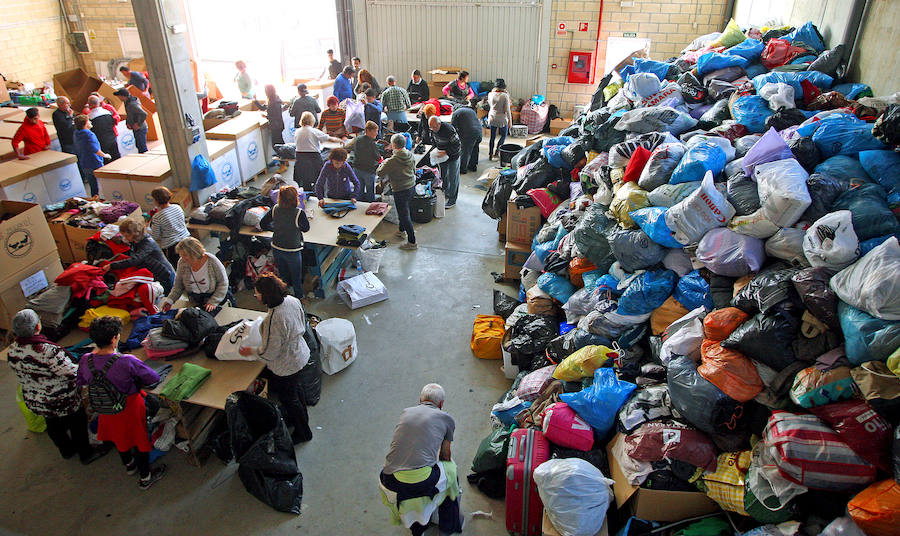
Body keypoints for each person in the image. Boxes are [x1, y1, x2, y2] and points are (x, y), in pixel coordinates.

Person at [6, 309, 108, 465]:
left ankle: (67, 450)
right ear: (37, 327)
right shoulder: (48, 351)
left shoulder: (12, 349)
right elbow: (73, 373)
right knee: (78, 423)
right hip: (61, 399)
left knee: (54, 425)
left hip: (36, 399)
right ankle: (86, 453)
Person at [77, 316, 166, 490]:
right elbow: (153, 377)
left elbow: (81, 381)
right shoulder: (126, 361)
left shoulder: (85, 359)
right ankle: (145, 477)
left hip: (105, 409)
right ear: (114, 338)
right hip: (130, 408)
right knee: (139, 442)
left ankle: (129, 465)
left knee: (119, 438)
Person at [238, 274, 313, 445]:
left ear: (266, 295)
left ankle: (303, 432)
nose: (256, 296)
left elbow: (269, 353)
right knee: (296, 391)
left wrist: (251, 350)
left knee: (288, 398)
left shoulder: (274, 318)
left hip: (286, 364)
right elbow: (303, 320)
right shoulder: (292, 300)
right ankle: (302, 418)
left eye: (257, 294)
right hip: (300, 352)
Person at [379, 384, 462, 536]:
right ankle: (448, 526)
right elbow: (445, 455)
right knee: (451, 471)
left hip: (389, 479)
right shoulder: (446, 418)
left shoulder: (406, 412)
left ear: (420, 400)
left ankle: (417, 529)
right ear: (441, 404)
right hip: (421, 482)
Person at [259, 185, 310, 299]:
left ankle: (284, 297)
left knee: (283, 276)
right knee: (296, 278)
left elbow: (263, 224)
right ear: (295, 198)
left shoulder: (275, 209)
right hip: (292, 250)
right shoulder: (298, 213)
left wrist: (275, 229)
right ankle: (299, 298)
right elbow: (306, 228)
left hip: (277, 247)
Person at [103, 219, 175, 295]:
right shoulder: (138, 241)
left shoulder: (147, 243)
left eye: (127, 236)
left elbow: (135, 260)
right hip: (157, 273)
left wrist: (112, 265)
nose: (125, 238)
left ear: (134, 233)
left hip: (164, 276)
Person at [161, 237, 232, 314]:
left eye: (185, 255)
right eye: (181, 255)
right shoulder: (182, 262)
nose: (182, 258)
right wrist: (170, 300)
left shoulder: (213, 261)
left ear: (194, 252)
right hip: (195, 299)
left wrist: (213, 301)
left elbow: (223, 283)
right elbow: (178, 285)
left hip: (216, 298)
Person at [377, 134, 417, 250]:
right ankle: (401, 230)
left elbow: (380, 172)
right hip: (411, 186)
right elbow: (414, 169)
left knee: (404, 215)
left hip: (400, 189)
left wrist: (383, 162)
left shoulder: (392, 161)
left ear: (393, 145)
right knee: (404, 211)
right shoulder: (410, 154)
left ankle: (412, 242)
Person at [296, 110, 343, 190]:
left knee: (305, 179)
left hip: (300, 158)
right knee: (319, 178)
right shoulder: (313, 131)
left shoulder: (297, 131)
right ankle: (318, 194)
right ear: (312, 121)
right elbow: (330, 139)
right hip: (313, 157)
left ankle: (307, 194)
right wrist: (341, 141)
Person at [149, 186, 190, 267]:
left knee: (179, 267)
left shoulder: (157, 216)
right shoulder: (177, 207)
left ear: (156, 201)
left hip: (172, 247)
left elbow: (155, 236)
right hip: (187, 239)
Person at [429, 116, 461, 208]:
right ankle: (446, 193)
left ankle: (452, 199)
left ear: (439, 124)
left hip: (453, 155)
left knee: (453, 177)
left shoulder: (449, 130)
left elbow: (457, 145)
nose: (432, 129)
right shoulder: (433, 128)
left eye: (434, 127)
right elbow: (434, 140)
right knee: (443, 175)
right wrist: (436, 150)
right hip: (441, 155)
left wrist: (446, 152)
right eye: (431, 127)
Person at [73, 115, 109, 196]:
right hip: (94, 162)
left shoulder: (76, 133)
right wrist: (105, 155)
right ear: (85, 124)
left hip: (84, 163)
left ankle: (95, 200)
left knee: (93, 186)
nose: (90, 122)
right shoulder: (89, 134)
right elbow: (94, 149)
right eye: (88, 121)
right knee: (105, 184)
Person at [344, 121, 380, 202]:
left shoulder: (358, 139)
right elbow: (377, 157)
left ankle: (359, 205)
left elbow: (349, 147)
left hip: (357, 168)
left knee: (359, 189)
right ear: (369, 131)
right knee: (370, 191)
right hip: (369, 170)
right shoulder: (372, 143)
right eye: (375, 131)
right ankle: (371, 205)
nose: (377, 133)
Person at [114, 88, 149, 153]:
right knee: (139, 145)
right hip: (138, 128)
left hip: (140, 128)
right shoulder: (128, 102)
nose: (119, 98)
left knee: (142, 147)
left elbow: (143, 114)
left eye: (119, 97)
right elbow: (130, 114)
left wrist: (138, 124)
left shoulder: (132, 104)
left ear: (123, 96)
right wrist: (128, 122)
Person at [86, 95, 121, 161]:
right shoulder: (107, 112)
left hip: (101, 142)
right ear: (98, 103)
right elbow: (114, 121)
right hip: (112, 139)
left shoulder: (89, 117)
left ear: (89, 104)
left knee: (107, 160)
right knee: (116, 157)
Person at [450, 105, 482, 175]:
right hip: (479, 132)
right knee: (475, 148)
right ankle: (473, 166)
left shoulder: (456, 113)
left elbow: (452, 128)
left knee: (465, 151)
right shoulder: (471, 111)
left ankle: (463, 169)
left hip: (470, 134)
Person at [487, 78, 513, 161]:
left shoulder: (490, 94)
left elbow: (490, 104)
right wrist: (510, 121)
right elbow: (507, 110)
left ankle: (490, 154)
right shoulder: (505, 95)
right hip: (502, 118)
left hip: (492, 117)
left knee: (492, 137)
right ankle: (497, 152)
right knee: (503, 135)